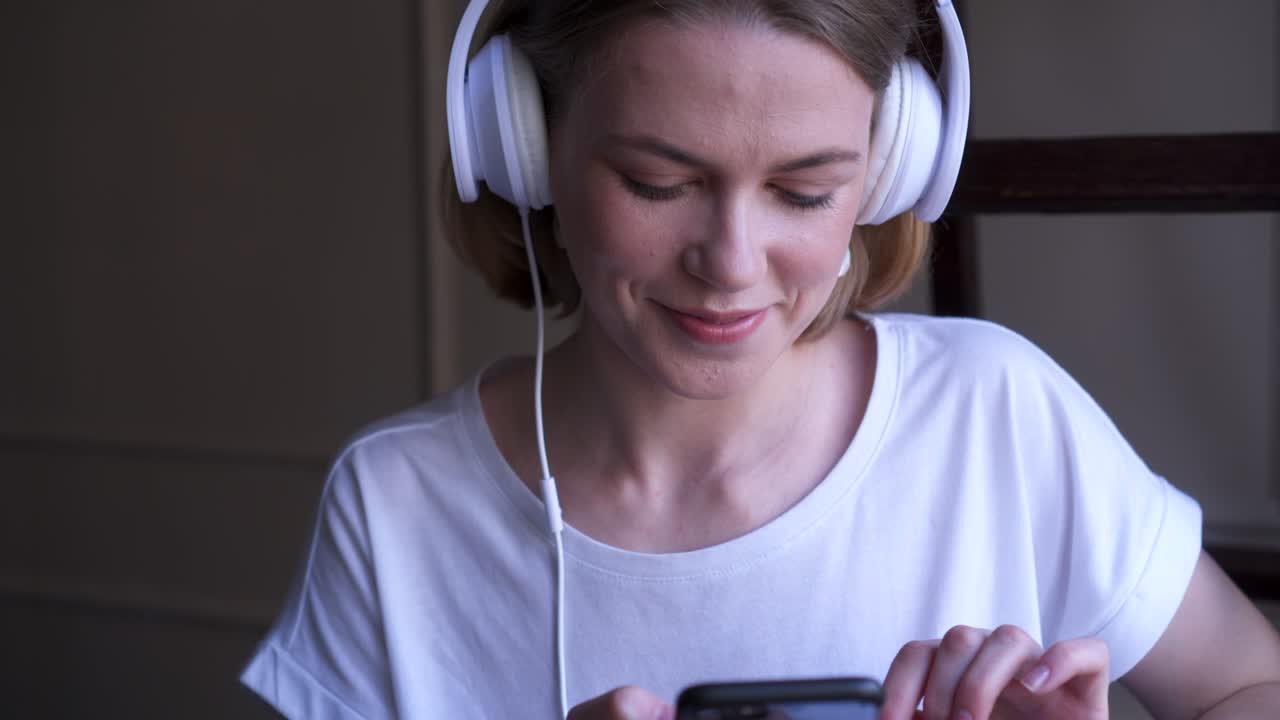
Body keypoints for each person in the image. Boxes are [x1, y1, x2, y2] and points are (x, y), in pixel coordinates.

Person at [240, 0, 1280, 718]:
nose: (730, 264)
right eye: (656, 183)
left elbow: (1251, 685)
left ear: (886, 171)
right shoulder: (396, 504)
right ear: (523, 145)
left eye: (803, 192)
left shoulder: (997, 412)